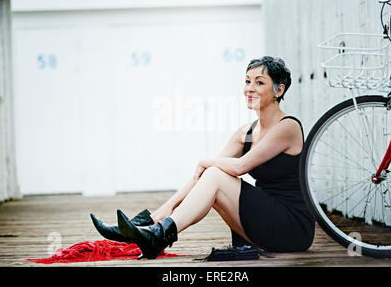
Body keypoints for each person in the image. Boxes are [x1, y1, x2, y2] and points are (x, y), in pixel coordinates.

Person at [90, 56, 315, 259]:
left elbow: (239, 167)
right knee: (212, 174)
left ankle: (158, 235)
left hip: (292, 227)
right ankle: (154, 225)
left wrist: (206, 162)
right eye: (247, 81)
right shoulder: (246, 133)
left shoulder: (288, 127)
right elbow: (205, 177)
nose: (250, 88)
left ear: (279, 90)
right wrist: (165, 209)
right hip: (264, 223)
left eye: (259, 82)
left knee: (215, 172)